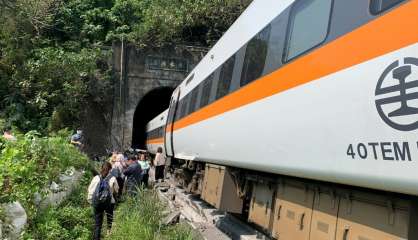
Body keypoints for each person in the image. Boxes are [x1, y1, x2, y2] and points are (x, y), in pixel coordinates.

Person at [88, 162, 119, 240]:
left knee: (97, 224)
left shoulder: (96, 178)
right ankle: (108, 232)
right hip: (109, 202)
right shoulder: (113, 178)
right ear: (110, 169)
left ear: (101, 168)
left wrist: (91, 201)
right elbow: (117, 190)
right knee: (109, 216)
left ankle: (96, 238)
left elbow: (90, 190)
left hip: (98, 203)